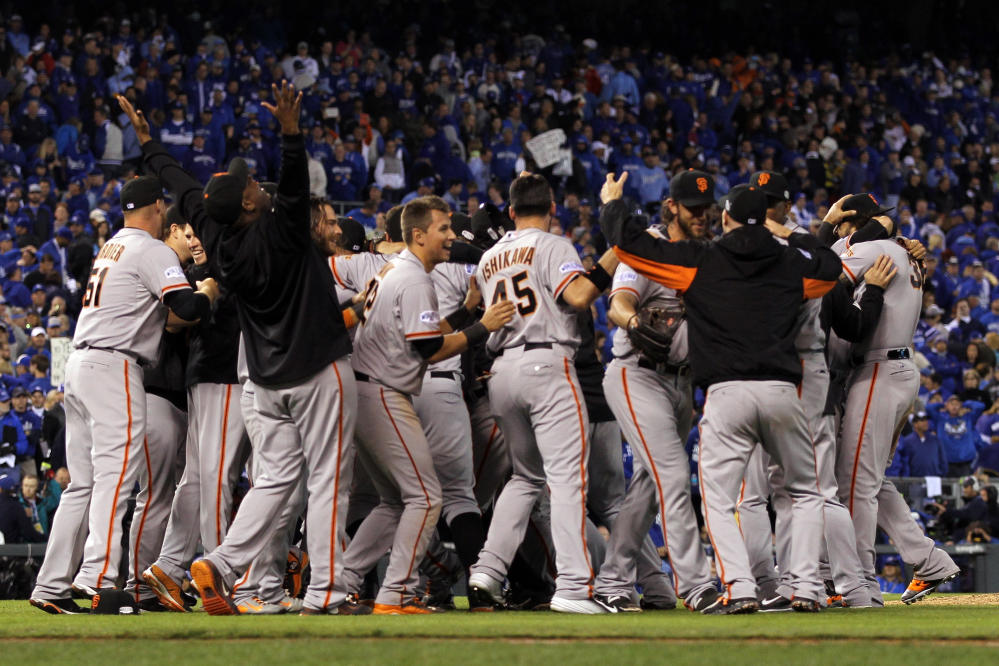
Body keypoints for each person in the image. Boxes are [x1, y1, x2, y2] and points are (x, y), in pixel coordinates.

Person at [126, 83, 359, 616]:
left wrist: (150, 146)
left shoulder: (217, 226)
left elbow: (181, 184)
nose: (252, 181)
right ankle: (327, 592)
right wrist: (292, 133)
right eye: (248, 183)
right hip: (316, 368)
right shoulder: (280, 232)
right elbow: (296, 184)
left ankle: (225, 563)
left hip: (265, 380)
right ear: (251, 202)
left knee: (275, 480)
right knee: (327, 480)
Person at [604, 185, 841, 613]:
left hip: (727, 393)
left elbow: (630, 245)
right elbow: (829, 269)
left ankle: (739, 587)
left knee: (718, 499)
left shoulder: (703, 260)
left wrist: (613, 204)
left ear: (725, 218)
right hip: (783, 392)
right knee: (805, 491)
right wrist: (793, 234)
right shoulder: (790, 262)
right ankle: (805, 587)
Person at [29, 174, 218, 614]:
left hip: (80, 365)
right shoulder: (151, 249)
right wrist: (207, 290)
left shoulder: (111, 245)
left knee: (84, 485)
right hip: (115, 365)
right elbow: (186, 307)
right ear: (157, 208)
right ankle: (98, 579)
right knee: (116, 478)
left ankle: (51, 585)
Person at [343, 196, 513, 614]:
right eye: (443, 229)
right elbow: (430, 351)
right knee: (426, 497)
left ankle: (340, 581)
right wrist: (481, 327)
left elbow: (426, 334)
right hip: (383, 390)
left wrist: (466, 312)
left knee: (396, 501)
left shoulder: (396, 269)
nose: (452, 236)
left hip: (369, 388)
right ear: (418, 235)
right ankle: (396, 592)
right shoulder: (416, 278)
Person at [467, 172, 624, 615]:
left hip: (502, 372)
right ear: (552, 209)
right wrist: (616, 253)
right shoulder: (553, 245)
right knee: (566, 479)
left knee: (525, 477)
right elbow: (577, 296)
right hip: (546, 364)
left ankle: (487, 570)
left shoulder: (490, 257)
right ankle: (574, 587)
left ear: (512, 211)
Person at [592, 170, 719, 613]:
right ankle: (696, 582)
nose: (702, 215)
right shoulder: (649, 248)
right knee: (672, 474)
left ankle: (612, 581)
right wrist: (632, 322)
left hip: (682, 382)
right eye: (692, 209)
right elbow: (618, 303)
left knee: (649, 486)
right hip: (637, 374)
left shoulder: (707, 254)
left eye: (707, 208)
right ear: (672, 207)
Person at [893, 411, 949, 477]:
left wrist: (942, 474)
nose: (925, 422)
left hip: (934, 479)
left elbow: (942, 459)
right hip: (914, 480)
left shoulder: (935, 439)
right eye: (922, 420)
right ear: (915, 423)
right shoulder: (907, 441)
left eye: (926, 419)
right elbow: (905, 462)